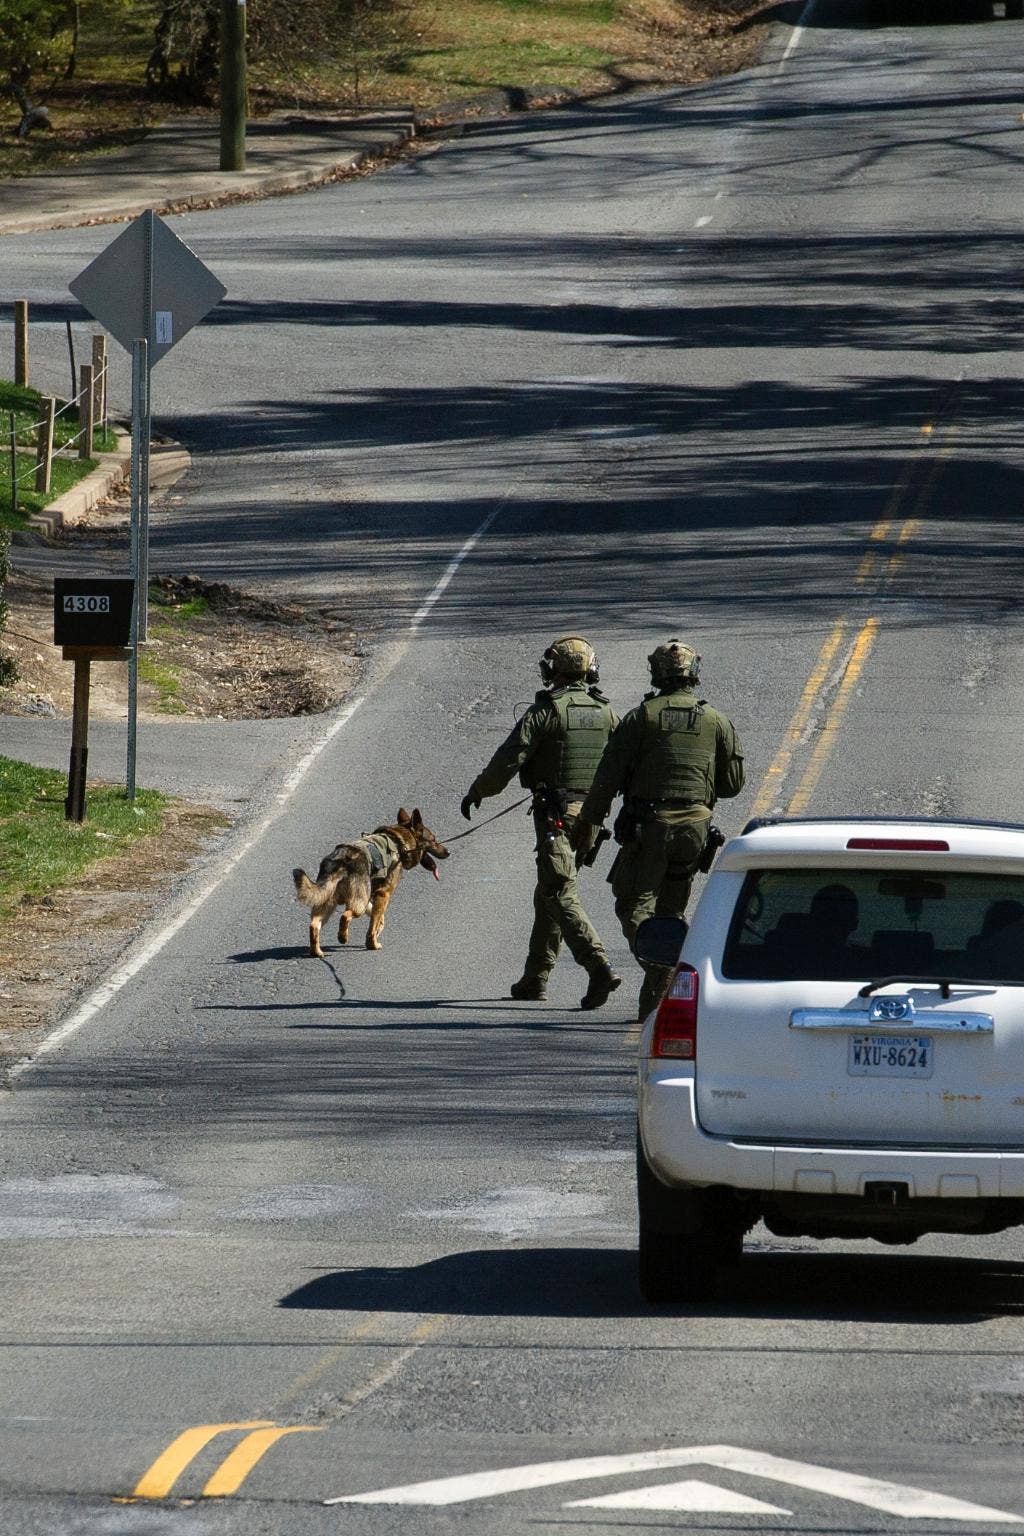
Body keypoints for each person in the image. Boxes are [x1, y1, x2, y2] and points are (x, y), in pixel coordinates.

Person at [570, 639, 745, 1019]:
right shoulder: (715, 720)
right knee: (671, 912)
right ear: (693, 672)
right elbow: (732, 785)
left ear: (656, 672)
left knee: (633, 904)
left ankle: (659, 964)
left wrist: (588, 824)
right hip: (696, 830)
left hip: (651, 827)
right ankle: (654, 1006)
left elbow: (607, 778)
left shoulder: (642, 717)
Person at [460, 635, 623, 1009]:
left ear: (554, 669)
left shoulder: (547, 710)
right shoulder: (607, 712)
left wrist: (478, 792)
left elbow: (510, 757)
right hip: (592, 820)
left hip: (557, 819)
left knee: (558, 892)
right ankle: (535, 978)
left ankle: (598, 965)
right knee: (548, 891)